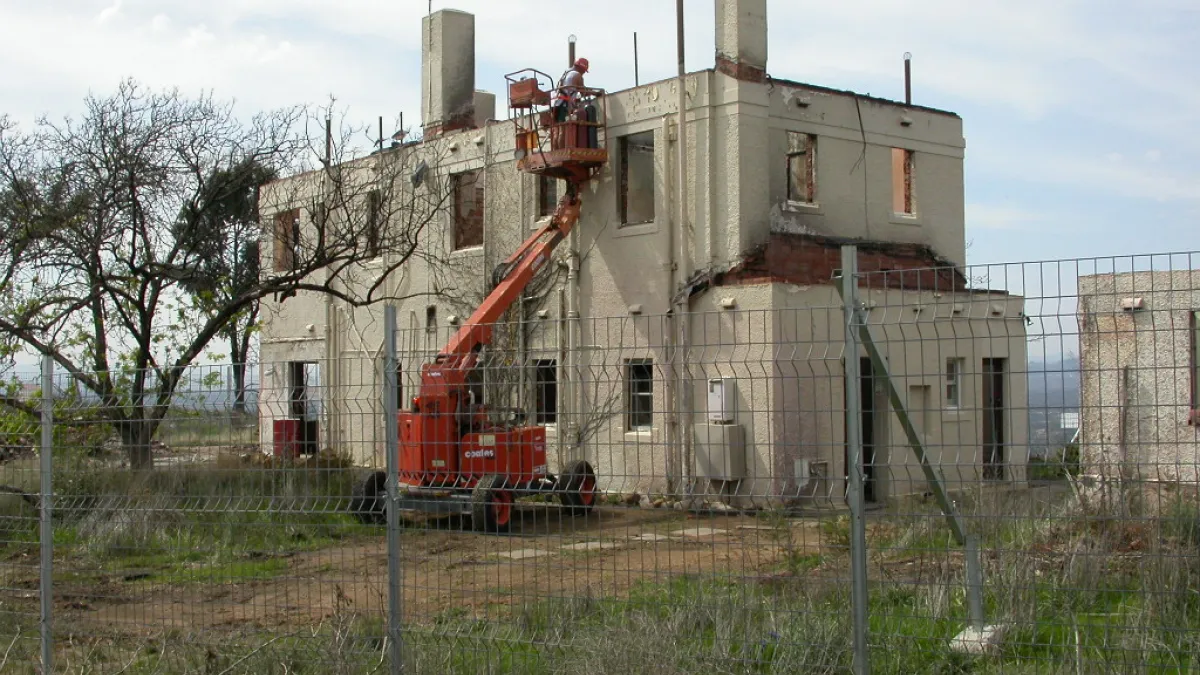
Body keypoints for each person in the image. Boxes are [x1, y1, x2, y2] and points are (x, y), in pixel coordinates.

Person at [552, 58, 588, 124]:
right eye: (584, 71)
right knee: (564, 130)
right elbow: (584, 92)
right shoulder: (577, 75)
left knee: (558, 129)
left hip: (556, 104)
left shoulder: (566, 73)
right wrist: (596, 93)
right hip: (564, 106)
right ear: (581, 68)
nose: (584, 73)